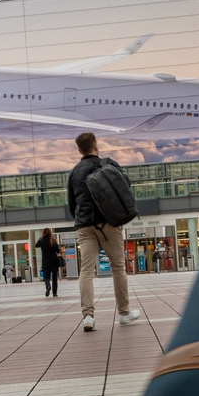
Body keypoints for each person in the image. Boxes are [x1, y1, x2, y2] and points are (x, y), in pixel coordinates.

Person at [67, 132, 141, 332]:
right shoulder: (108, 164)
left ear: (79, 150)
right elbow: (125, 186)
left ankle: (88, 316)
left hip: (84, 225)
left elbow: (71, 205)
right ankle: (124, 313)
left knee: (86, 271)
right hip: (110, 223)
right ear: (95, 146)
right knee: (118, 268)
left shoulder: (74, 173)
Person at [36, 228, 62, 298]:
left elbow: (36, 245)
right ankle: (54, 293)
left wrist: (41, 237)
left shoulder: (42, 240)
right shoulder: (52, 240)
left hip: (45, 261)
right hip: (54, 260)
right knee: (54, 278)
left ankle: (48, 285)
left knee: (46, 276)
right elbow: (58, 250)